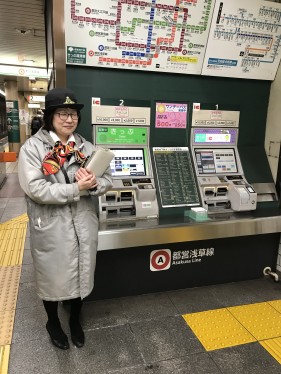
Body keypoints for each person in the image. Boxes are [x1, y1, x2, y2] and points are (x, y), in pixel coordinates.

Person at [18, 87, 113, 350]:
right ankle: (52, 322)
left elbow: (108, 180)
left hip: (83, 222)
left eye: (73, 114)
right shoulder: (33, 148)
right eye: (62, 113)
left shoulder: (85, 146)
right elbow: (35, 189)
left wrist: (94, 184)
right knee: (52, 276)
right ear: (50, 116)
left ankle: (74, 321)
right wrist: (76, 189)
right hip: (51, 225)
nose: (69, 119)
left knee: (82, 270)